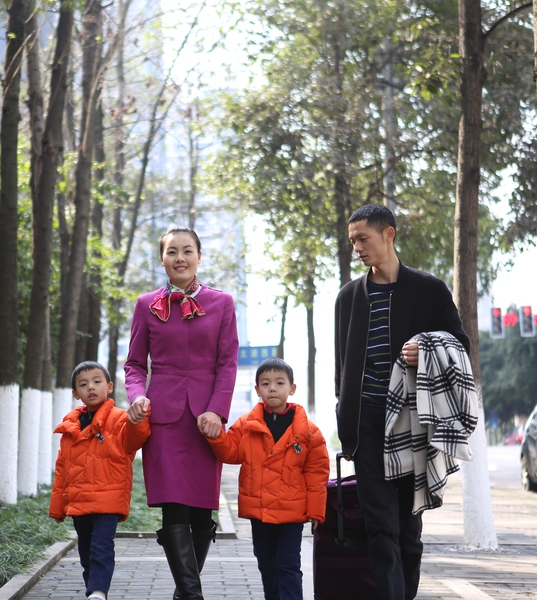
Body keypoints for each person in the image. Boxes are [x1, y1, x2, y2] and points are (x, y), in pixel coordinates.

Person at [334, 204, 470, 600]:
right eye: (352, 241)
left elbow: (460, 344)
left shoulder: (429, 290)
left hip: (414, 426)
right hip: (366, 427)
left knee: (409, 532)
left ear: (389, 234)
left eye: (364, 238)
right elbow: (342, 368)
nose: (357, 247)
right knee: (380, 527)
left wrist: (426, 348)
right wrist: (345, 414)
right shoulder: (348, 298)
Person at [125, 226, 239, 600]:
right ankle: (192, 594)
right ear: (162, 259)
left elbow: (227, 364)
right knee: (173, 509)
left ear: (199, 257)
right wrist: (138, 396)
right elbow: (135, 365)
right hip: (164, 419)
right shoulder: (146, 305)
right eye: (172, 251)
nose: (180, 258)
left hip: (205, 421)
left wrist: (218, 412)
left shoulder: (222, 303)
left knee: (202, 514)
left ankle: (182, 593)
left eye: (187, 251)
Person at [206, 357, 329, 600]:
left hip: (291, 513)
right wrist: (215, 435)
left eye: (280, 383)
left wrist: (316, 511)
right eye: (266, 383)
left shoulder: (308, 432)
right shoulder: (246, 425)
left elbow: (317, 473)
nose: (272, 388)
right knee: (266, 564)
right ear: (257, 389)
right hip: (259, 510)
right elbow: (230, 452)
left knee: (288, 565)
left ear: (292, 388)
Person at [49, 361, 151, 600]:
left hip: (108, 502)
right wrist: (58, 508)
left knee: (101, 548)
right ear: (76, 394)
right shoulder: (70, 426)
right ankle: (92, 590)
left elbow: (135, 439)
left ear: (110, 386)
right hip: (79, 503)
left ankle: (98, 592)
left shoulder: (119, 419)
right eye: (83, 385)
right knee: (86, 551)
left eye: (97, 382)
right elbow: (62, 468)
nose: (91, 388)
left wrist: (138, 419)